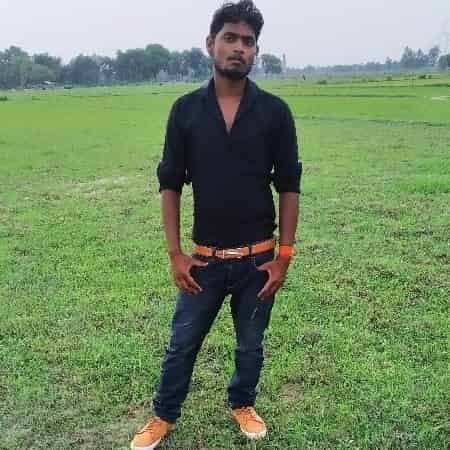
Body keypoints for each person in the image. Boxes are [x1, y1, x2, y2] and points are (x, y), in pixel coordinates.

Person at [131, 1, 302, 448]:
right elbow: (170, 183)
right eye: (230, 38)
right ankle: (163, 415)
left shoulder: (274, 112)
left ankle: (242, 403)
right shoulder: (186, 111)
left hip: (258, 261)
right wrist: (175, 254)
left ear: (255, 51)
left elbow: (289, 186)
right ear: (211, 44)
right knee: (182, 343)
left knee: (250, 344)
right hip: (203, 263)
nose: (239, 47)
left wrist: (283, 256)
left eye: (248, 41)